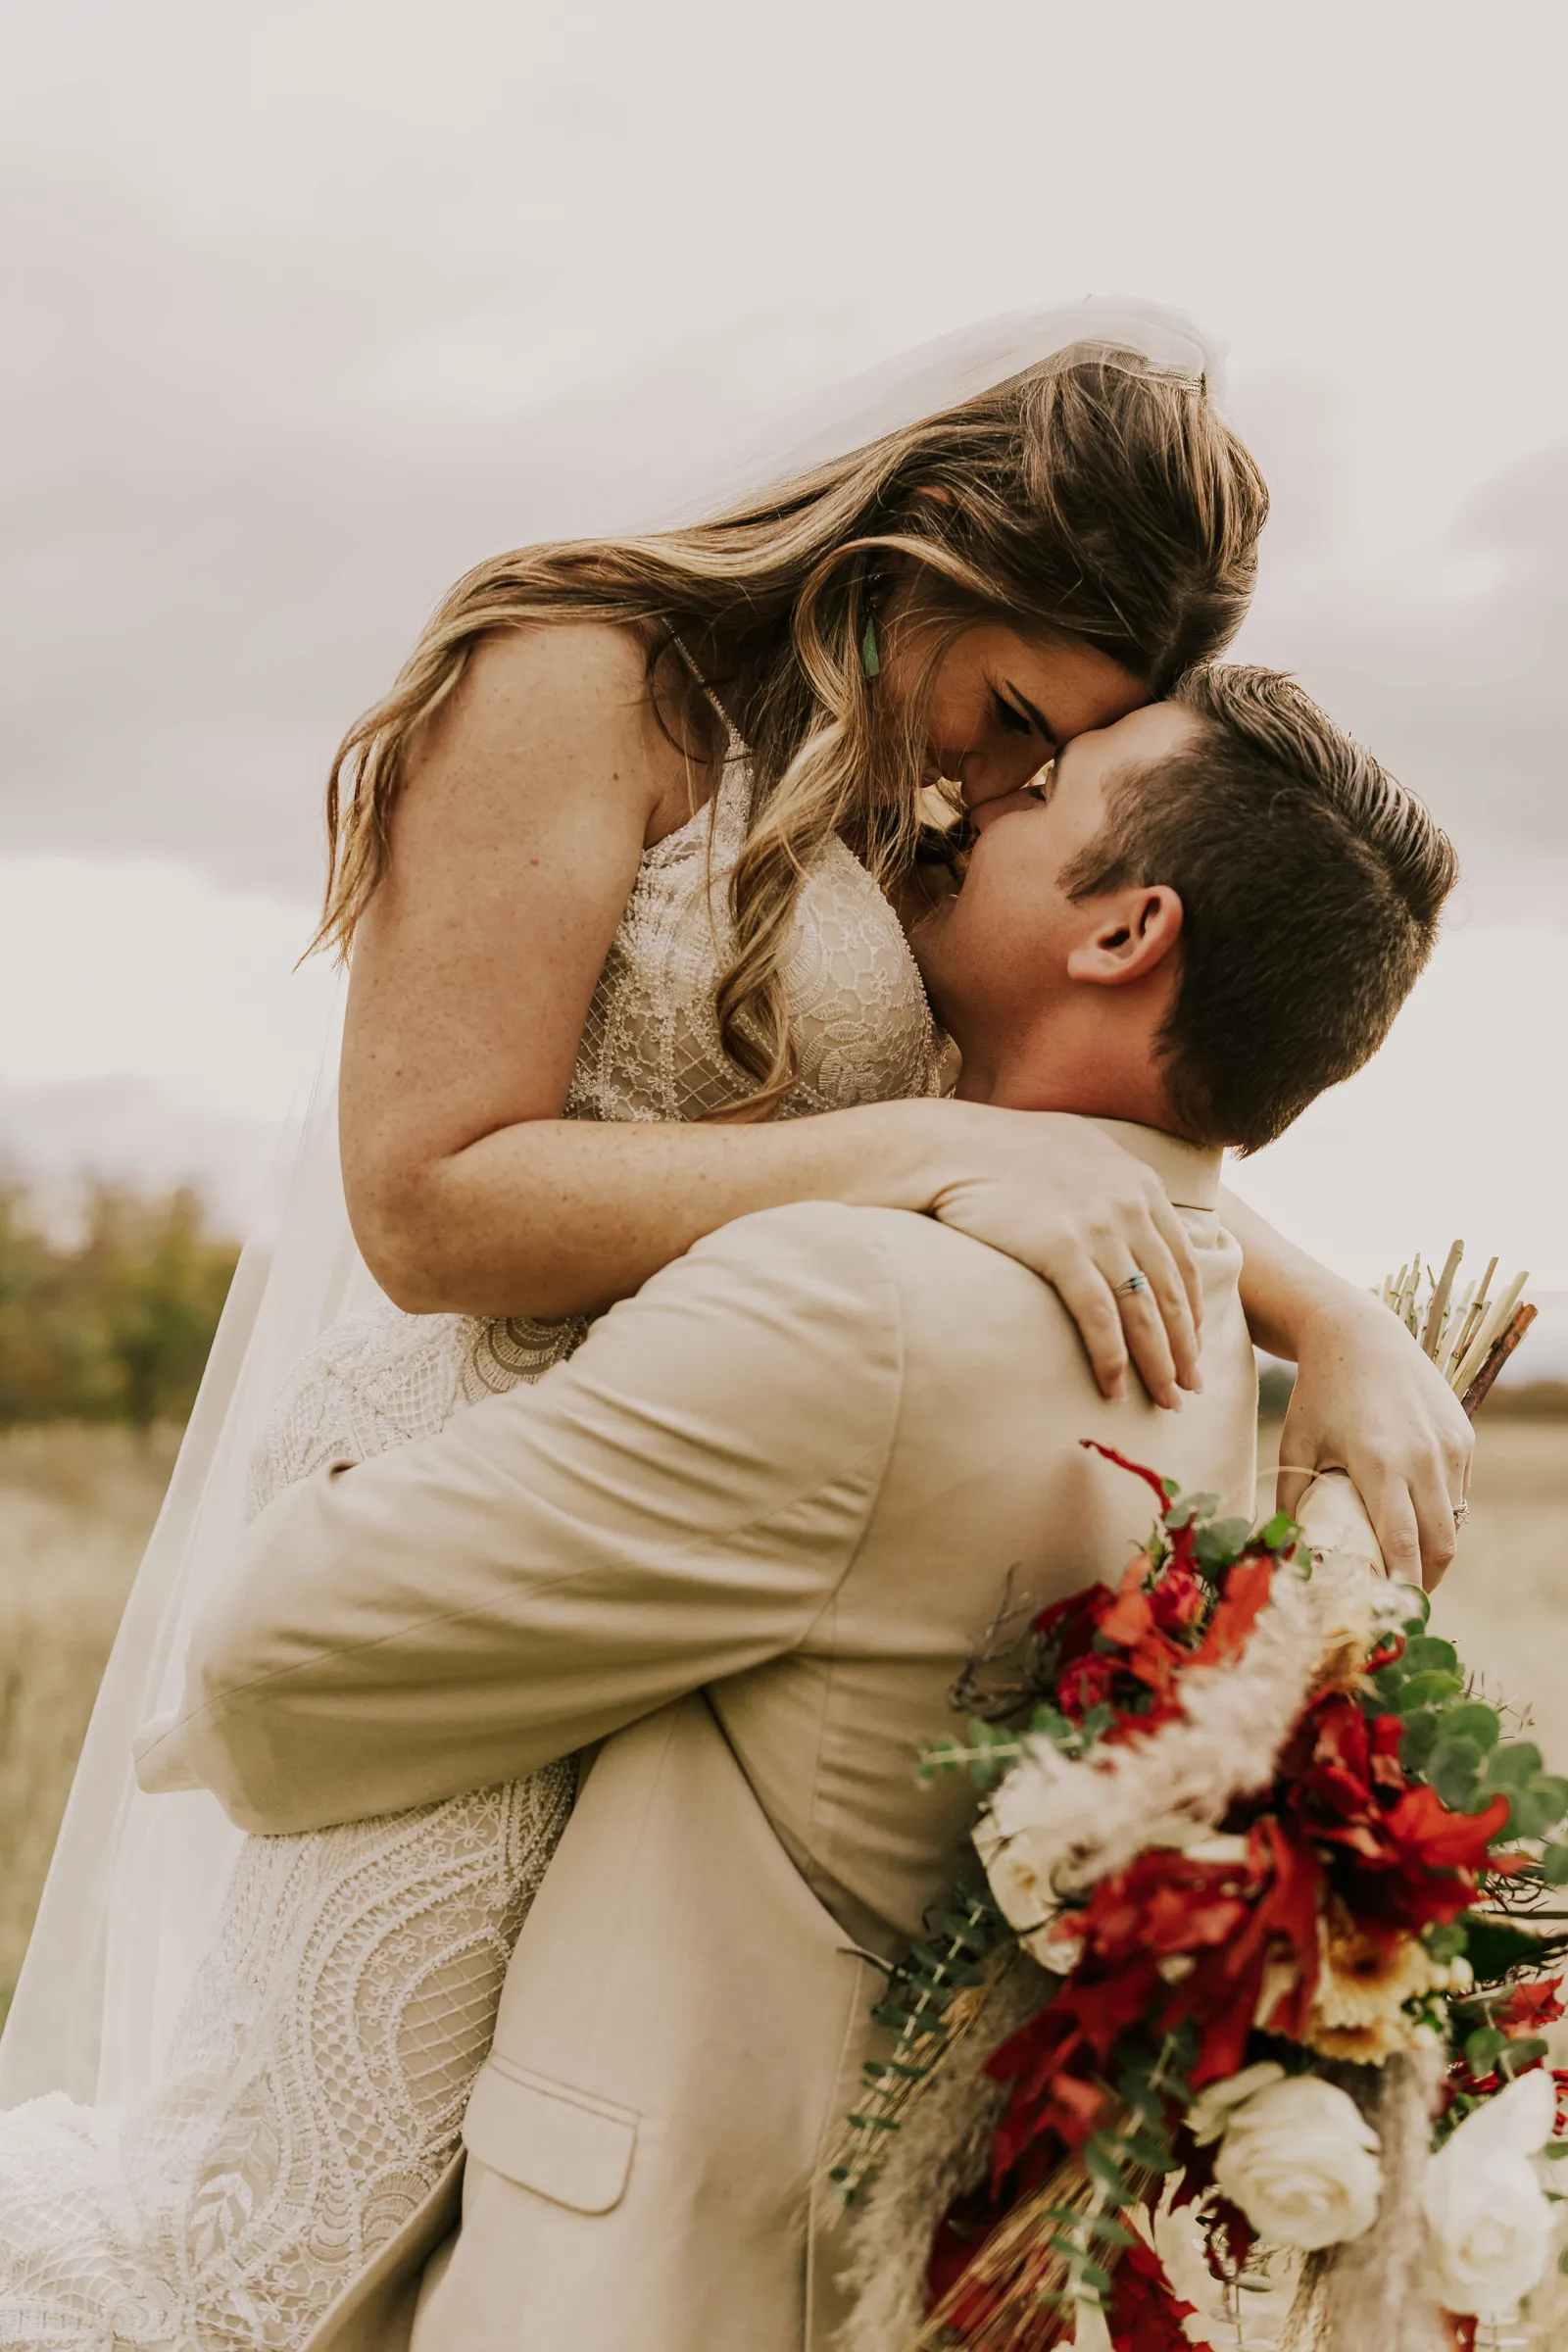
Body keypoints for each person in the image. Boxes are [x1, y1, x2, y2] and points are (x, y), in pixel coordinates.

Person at [119, 664, 1454, 2352]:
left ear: (1124, 934)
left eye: (1046, 789)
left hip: (633, 2285)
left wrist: (392, 1420)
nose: (976, 800)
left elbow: (273, 1666)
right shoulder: (1200, 1330)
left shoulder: (858, 1305)